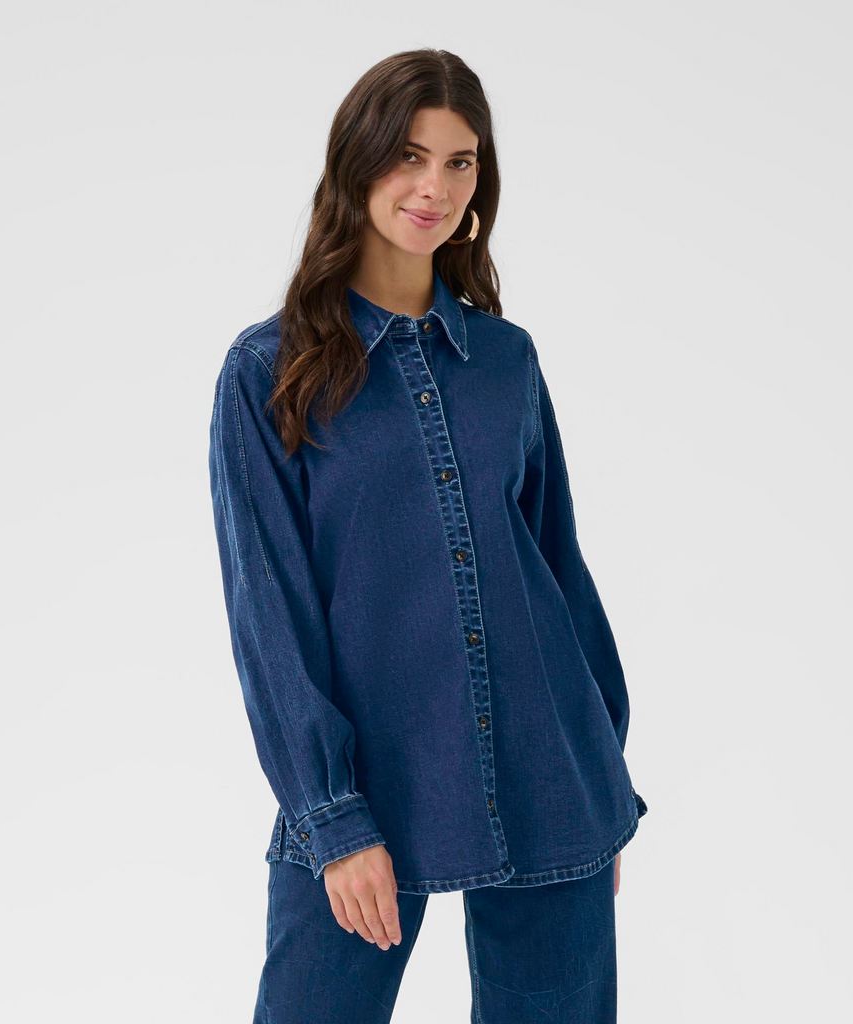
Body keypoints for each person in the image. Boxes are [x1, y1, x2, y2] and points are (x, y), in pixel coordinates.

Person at [208, 47, 649, 1024]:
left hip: (551, 773)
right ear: (357, 161)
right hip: (368, 783)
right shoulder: (269, 371)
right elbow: (269, 617)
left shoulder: (506, 360)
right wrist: (329, 815)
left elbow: (558, 568)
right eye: (409, 155)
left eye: (460, 162)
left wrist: (600, 778)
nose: (434, 188)